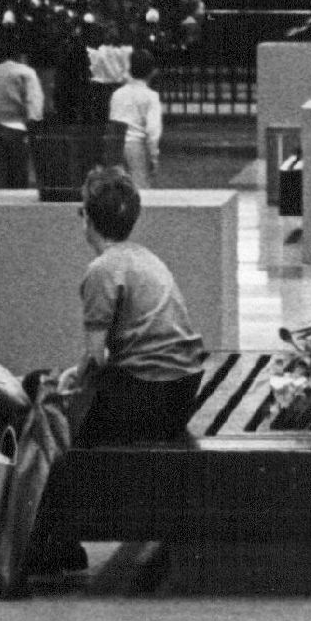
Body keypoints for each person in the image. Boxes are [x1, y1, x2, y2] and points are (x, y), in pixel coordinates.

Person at [59, 166, 211, 443]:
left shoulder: (101, 270)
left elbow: (95, 357)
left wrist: (71, 386)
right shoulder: (145, 257)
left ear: (89, 220)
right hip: (184, 385)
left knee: (73, 430)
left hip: (147, 390)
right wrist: (77, 371)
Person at [0, 45, 47, 186]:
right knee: (18, 177)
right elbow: (34, 101)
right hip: (17, 127)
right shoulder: (25, 72)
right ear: (22, 57)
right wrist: (35, 124)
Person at [109, 48, 166, 187]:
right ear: (151, 72)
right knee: (140, 189)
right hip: (137, 145)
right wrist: (154, 156)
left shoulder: (117, 94)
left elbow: (113, 119)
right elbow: (153, 131)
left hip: (115, 145)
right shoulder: (151, 96)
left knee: (117, 188)